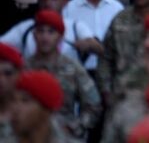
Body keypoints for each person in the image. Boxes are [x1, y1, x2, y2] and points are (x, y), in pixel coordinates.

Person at [26, 10, 102, 138]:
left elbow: (94, 104)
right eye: (41, 31)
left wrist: (76, 128)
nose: (45, 37)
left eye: (51, 32)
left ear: (60, 37)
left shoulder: (72, 67)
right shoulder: (25, 69)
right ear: (34, 35)